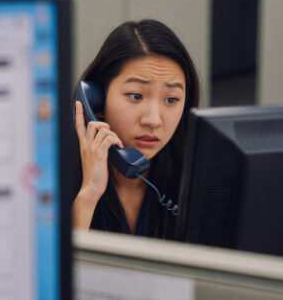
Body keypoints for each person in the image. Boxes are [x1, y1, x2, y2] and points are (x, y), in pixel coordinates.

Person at [72, 19, 200, 239]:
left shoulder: (197, 175)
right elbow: (53, 259)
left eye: (171, 100)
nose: (153, 120)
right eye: (136, 96)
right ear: (97, 100)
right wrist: (89, 193)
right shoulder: (54, 170)